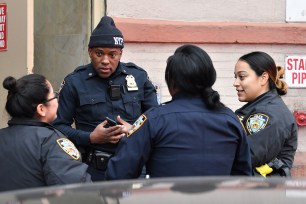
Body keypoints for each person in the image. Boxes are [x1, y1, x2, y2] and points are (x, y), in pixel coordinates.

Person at [105, 44, 252, 179]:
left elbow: (118, 174)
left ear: (172, 82)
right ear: (209, 79)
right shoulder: (231, 120)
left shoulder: (154, 120)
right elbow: (243, 179)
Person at [53, 15, 158, 181]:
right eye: (99, 53)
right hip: (92, 171)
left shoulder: (139, 77)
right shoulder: (75, 82)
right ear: (90, 52)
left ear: (121, 54)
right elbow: (58, 127)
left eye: (112, 55)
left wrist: (134, 130)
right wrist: (90, 138)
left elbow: (156, 121)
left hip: (135, 169)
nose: (105, 61)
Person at [0, 74, 91, 192]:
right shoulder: (51, 142)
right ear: (41, 109)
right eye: (55, 96)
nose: (57, 100)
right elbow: (77, 192)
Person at [233, 51, 298, 177]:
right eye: (235, 77)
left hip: (259, 192)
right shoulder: (259, 108)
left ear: (263, 78)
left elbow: (247, 157)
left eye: (242, 77)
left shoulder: (268, 115)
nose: (235, 83)